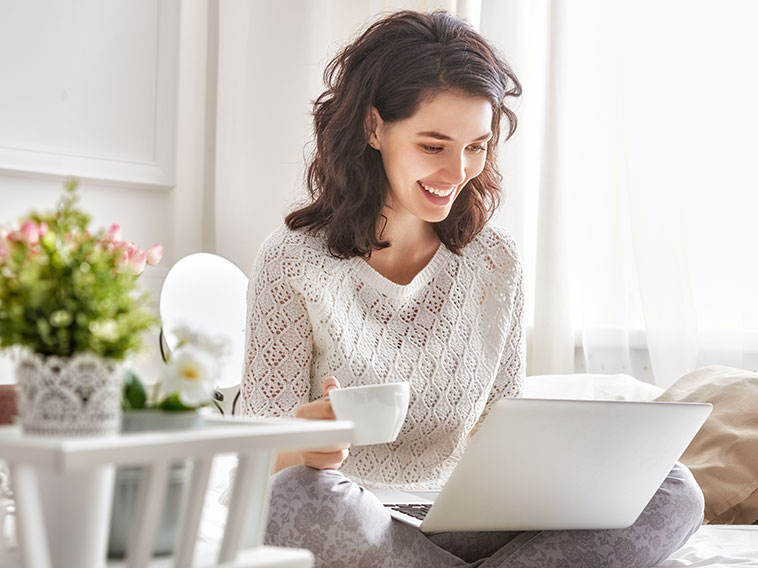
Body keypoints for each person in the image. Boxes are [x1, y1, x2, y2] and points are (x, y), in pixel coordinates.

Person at [239, 10, 704, 567]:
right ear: (373, 128)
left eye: (476, 146)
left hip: (464, 521)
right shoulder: (293, 260)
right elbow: (260, 464)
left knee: (672, 487)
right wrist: (303, 444)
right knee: (293, 500)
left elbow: (501, 434)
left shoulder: (495, 261)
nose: (457, 172)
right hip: (350, 516)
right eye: (433, 146)